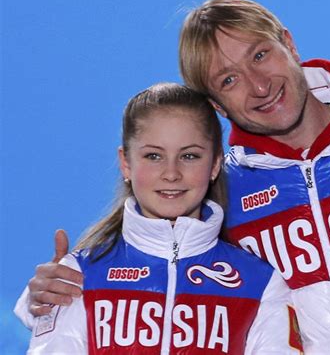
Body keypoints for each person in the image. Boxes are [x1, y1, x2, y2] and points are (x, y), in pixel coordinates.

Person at [17, 0, 330, 353]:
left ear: (289, 44)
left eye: (260, 55)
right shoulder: (220, 189)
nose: (258, 85)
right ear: (216, 104)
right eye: (228, 80)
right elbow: (164, 273)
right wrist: (50, 291)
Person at [24, 83, 302, 354]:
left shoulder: (260, 283)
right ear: (126, 163)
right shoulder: (77, 275)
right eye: (154, 155)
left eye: (190, 156)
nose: (171, 173)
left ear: (215, 163)